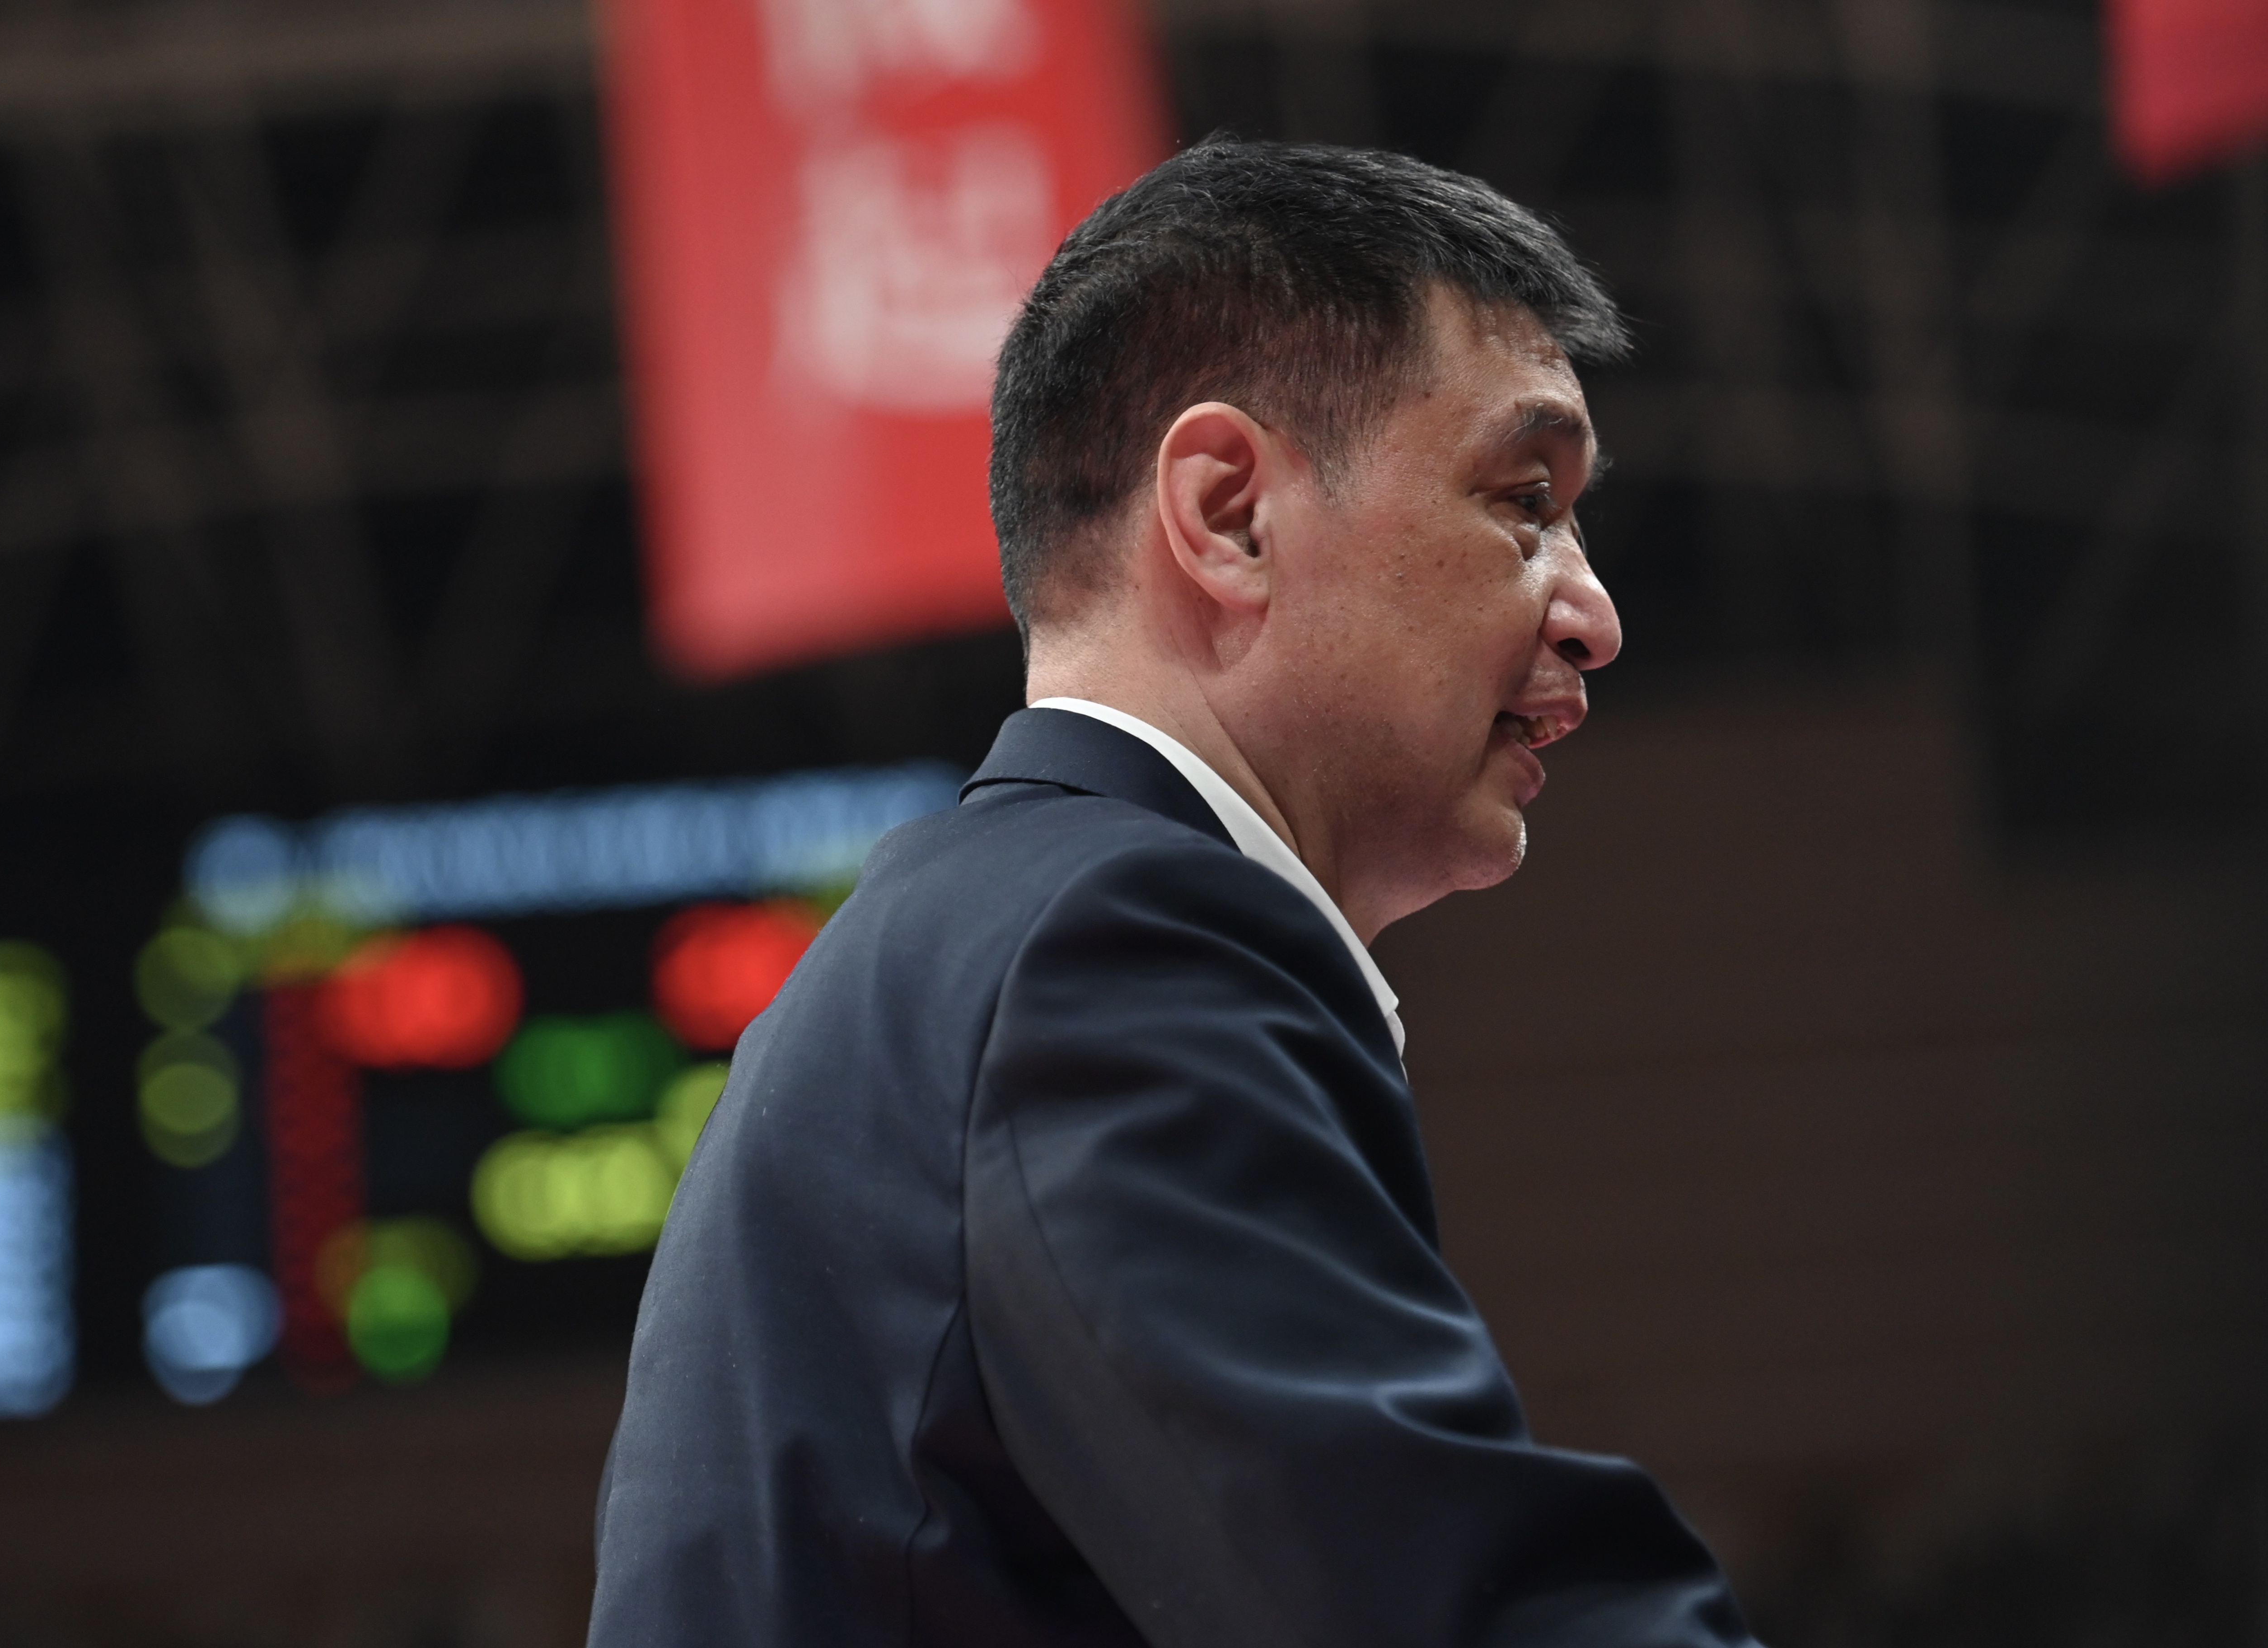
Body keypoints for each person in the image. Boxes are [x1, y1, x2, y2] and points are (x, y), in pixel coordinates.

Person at [590, 138, 1759, 1647]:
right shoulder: (1110, 943)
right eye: (1523, 500)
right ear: (1227, 515)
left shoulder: (973, 934)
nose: (1592, 612)